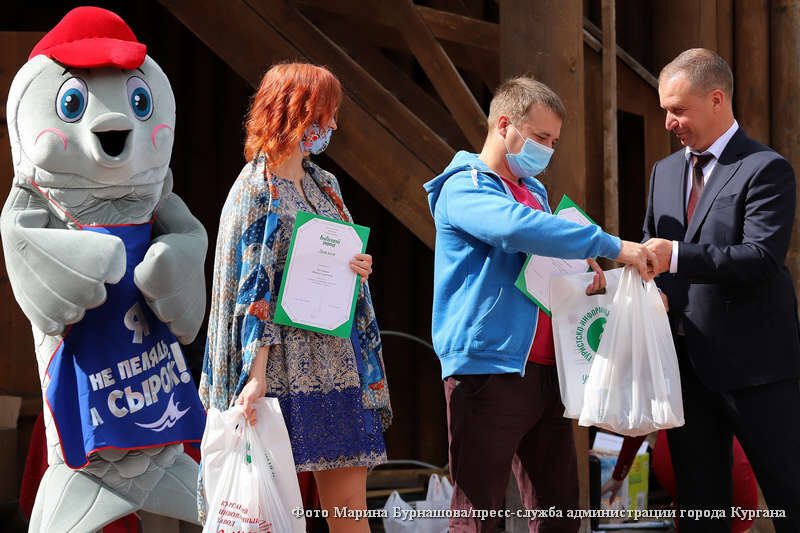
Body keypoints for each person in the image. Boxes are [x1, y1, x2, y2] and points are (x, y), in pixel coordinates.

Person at [423, 76, 657, 533]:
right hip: (489, 368)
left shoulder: (536, 192)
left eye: (554, 142)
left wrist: (582, 270)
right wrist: (610, 245)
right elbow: (515, 229)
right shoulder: (464, 186)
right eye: (541, 138)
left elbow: (541, 256)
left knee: (560, 512)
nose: (548, 150)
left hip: (550, 371)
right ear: (503, 125)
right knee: (478, 516)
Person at [199, 63, 391, 533]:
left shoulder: (326, 185)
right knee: (264, 507)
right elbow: (252, 290)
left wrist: (356, 267)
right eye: (326, 115)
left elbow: (335, 255)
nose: (333, 126)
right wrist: (255, 376)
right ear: (295, 113)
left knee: (349, 507)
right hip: (279, 367)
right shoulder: (254, 189)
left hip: (337, 362)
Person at [643, 48, 800, 532]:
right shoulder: (664, 172)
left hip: (758, 373)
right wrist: (650, 285)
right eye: (665, 109)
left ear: (717, 99)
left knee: (789, 497)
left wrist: (676, 256)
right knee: (699, 509)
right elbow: (654, 250)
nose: (668, 122)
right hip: (686, 371)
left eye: (678, 109)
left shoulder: (766, 168)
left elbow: (761, 257)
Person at [601, 432, 757, 532]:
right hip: (718, 476)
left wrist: (619, 473)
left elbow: (641, 422)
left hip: (720, 486)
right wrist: (619, 473)